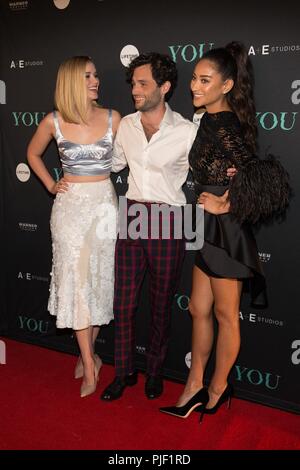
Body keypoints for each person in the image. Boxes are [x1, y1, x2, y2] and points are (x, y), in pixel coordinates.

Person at [160, 42, 290, 419]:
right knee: (199, 308)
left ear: (227, 85)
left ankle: (217, 389)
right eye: (195, 80)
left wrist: (225, 202)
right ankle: (195, 383)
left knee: (225, 313)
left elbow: (262, 176)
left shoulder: (226, 123)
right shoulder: (210, 119)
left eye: (205, 80)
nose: (195, 87)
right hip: (206, 224)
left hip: (225, 226)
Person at [100, 52, 236, 402]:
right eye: (133, 84)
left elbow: (213, 168)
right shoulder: (126, 125)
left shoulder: (188, 131)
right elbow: (114, 164)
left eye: (143, 84)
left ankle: (155, 372)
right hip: (131, 215)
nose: (135, 90)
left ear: (164, 86)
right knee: (124, 305)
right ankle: (124, 372)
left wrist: (231, 184)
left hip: (170, 218)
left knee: (161, 303)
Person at [27, 56, 121, 397]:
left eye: (96, 74)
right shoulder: (53, 121)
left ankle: (89, 354)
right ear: (70, 81)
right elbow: (32, 154)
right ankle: (89, 365)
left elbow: (134, 155)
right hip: (69, 211)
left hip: (104, 206)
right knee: (76, 284)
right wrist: (51, 185)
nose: (95, 80)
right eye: (87, 76)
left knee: (97, 283)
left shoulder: (114, 118)